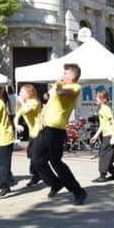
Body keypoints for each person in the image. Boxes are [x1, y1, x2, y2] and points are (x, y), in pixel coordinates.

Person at [32, 63, 87, 206]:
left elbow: (62, 93)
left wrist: (57, 84)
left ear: (73, 76)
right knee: (37, 159)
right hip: (46, 127)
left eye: (66, 73)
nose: (62, 76)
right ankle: (55, 184)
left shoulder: (75, 87)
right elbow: (48, 102)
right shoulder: (58, 87)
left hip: (57, 129)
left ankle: (78, 191)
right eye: (63, 73)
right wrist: (42, 116)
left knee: (55, 162)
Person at [14, 84, 42, 187]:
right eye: (20, 92)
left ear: (29, 93)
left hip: (40, 132)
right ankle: (38, 174)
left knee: (35, 157)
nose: (20, 94)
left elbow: (26, 110)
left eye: (22, 92)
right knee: (31, 155)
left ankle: (36, 176)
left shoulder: (34, 102)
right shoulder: (24, 103)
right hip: (32, 134)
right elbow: (16, 116)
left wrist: (21, 101)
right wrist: (17, 125)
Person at [90, 90, 114, 183]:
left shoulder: (106, 109)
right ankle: (113, 173)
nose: (96, 99)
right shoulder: (101, 109)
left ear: (104, 99)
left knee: (103, 154)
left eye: (98, 98)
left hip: (110, 134)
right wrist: (96, 135)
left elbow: (113, 123)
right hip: (105, 134)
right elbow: (102, 124)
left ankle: (102, 175)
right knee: (106, 154)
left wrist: (113, 137)